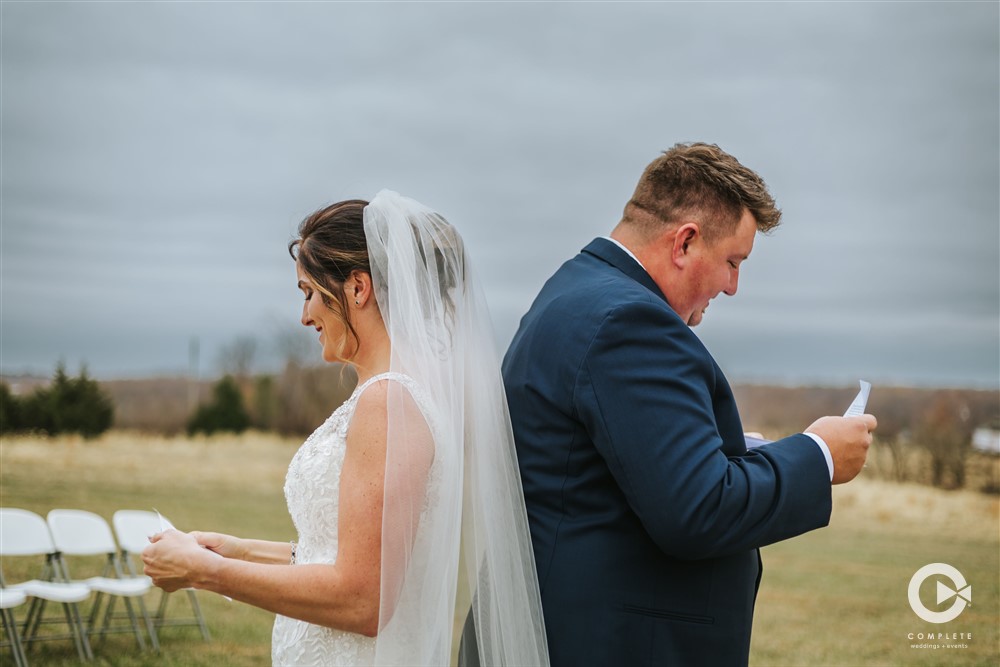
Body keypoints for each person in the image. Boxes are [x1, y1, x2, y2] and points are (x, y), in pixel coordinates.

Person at [501, 143, 877, 666]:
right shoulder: (631, 324)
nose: (732, 287)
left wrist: (736, 449)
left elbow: (607, 462)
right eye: (732, 262)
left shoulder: (575, 290)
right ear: (684, 243)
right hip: (613, 645)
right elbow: (698, 509)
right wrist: (820, 455)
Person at [143, 191, 548, 666]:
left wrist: (206, 572)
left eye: (310, 292)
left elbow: (363, 599)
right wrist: (234, 551)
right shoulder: (391, 395)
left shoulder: (388, 403)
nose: (304, 315)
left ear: (358, 288)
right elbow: (339, 556)